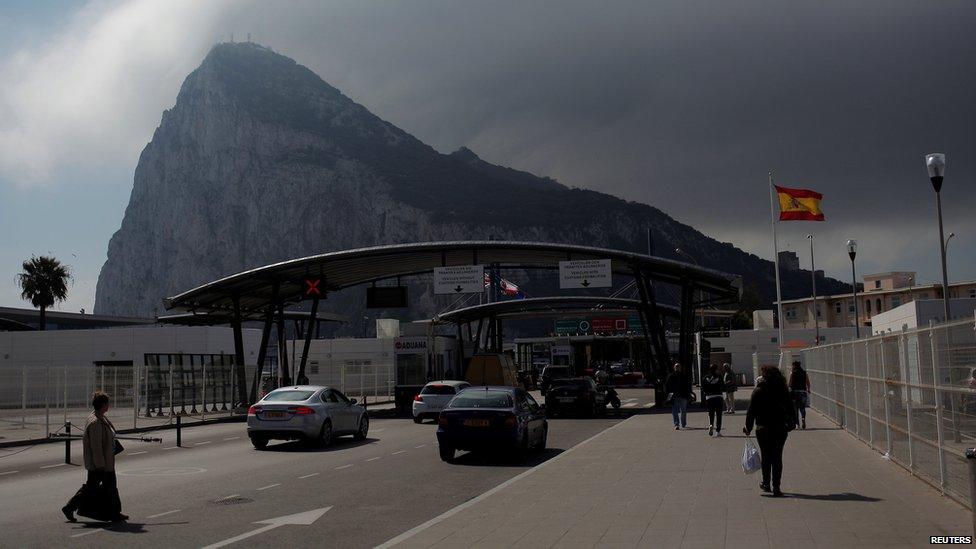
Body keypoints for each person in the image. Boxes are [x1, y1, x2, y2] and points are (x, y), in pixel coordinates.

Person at [62, 392, 127, 522]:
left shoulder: (100, 417)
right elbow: (96, 447)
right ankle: (69, 507)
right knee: (92, 487)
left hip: (106, 461)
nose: (109, 406)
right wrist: (100, 465)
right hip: (100, 464)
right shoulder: (96, 422)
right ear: (103, 405)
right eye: (107, 403)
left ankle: (114, 512)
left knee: (109, 487)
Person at [744, 365, 797, 497]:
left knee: (766, 456)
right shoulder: (783, 390)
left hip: (763, 429)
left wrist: (748, 427)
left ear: (764, 376)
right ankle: (776, 486)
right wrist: (791, 424)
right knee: (777, 457)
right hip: (780, 428)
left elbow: (751, 412)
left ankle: (766, 483)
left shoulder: (758, 390)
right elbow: (791, 408)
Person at [665, 363, 692, 430]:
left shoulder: (671, 376)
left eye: (678, 367)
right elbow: (688, 386)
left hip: (676, 396)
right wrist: (689, 395)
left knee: (675, 411)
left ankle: (677, 424)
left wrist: (668, 397)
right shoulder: (684, 376)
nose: (677, 368)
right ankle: (682, 423)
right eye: (677, 367)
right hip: (682, 396)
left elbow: (667, 387)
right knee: (683, 410)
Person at [702, 363, 725, 436]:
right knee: (719, 414)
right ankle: (718, 431)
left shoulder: (706, 377)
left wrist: (706, 392)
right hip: (718, 396)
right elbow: (723, 386)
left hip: (709, 397)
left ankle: (711, 424)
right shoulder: (719, 377)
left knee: (711, 413)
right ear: (716, 369)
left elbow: (703, 387)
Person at [788, 360, 811, 429]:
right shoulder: (804, 373)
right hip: (803, 392)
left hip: (794, 393)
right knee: (802, 407)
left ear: (794, 366)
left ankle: (797, 424)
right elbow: (808, 382)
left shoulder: (792, 373)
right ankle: (803, 418)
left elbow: (790, 383)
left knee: (795, 409)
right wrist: (808, 389)